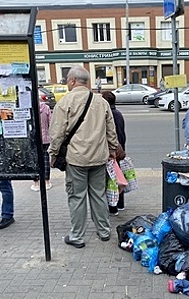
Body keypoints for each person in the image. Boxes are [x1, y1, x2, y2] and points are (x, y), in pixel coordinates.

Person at [49, 65, 118, 247]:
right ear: (86, 82)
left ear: (72, 81)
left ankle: (77, 237)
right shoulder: (101, 102)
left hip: (76, 159)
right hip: (99, 157)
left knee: (77, 197)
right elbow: (111, 131)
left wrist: (53, 154)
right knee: (98, 195)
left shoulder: (64, 103)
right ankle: (104, 231)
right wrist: (112, 150)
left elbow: (57, 134)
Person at [102, 91, 126, 216]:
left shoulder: (108, 115)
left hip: (112, 151)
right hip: (119, 149)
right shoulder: (119, 114)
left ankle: (113, 206)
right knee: (119, 177)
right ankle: (120, 203)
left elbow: (111, 134)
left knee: (112, 179)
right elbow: (122, 134)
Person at [31, 98, 52, 191]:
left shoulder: (31, 108)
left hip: (34, 139)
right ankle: (47, 181)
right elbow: (51, 122)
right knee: (46, 160)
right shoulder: (46, 108)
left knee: (35, 160)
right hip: (45, 138)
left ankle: (36, 183)